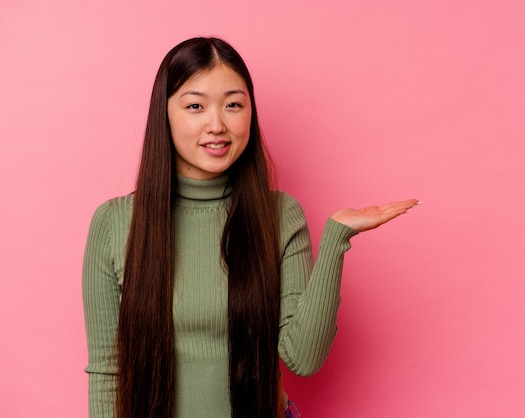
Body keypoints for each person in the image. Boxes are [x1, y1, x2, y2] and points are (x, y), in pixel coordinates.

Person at [82, 37, 419, 418]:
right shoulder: (114, 224)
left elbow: (303, 358)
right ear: (165, 114)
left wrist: (336, 239)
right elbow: (107, 372)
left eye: (233, 105)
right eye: (195, 106)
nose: (217, 125)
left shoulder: (279, 215)